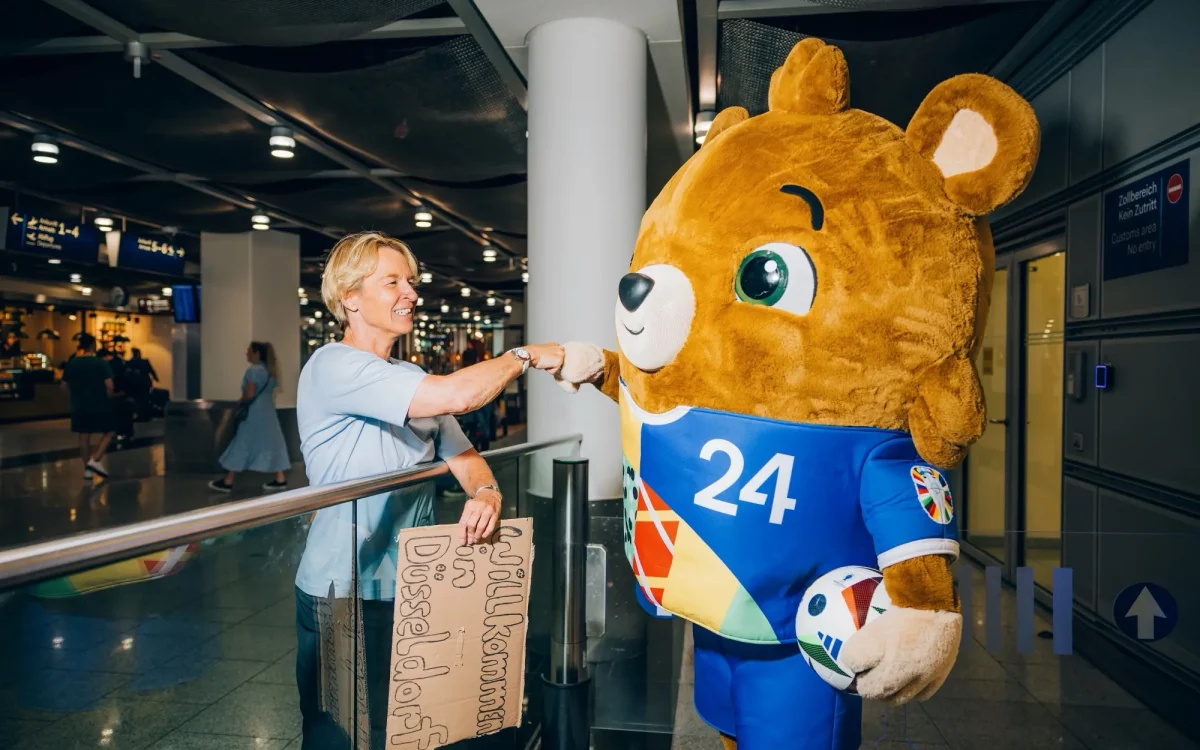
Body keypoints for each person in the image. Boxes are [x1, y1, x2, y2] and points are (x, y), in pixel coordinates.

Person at [292, 231, 564, 749]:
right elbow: (459, 396)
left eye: (411, 282)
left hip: (413, 588)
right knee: (343, 735)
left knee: (406, 729)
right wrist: (525, 355)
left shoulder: (408, 374)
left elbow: (464, 458)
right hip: (343, 591)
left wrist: (486, 494)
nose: (410, 293)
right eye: (391, 281)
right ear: (350, 297)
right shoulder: (334, 365)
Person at [208, 341, 290, 492]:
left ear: (257, 353)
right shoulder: (270, 371)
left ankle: (228, 480)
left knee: (242, 443)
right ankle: (280, 478)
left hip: (254, 413)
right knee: (272, 444)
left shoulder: (253, 371)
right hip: (268, 412)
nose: (247, 354)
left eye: (249, 351)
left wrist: (240, 402)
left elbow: (250, 394)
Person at [61, 333, 114, 480]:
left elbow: (64, 386)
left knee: (84, 436)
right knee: (109, 432)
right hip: (98, 404)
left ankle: (87, 469)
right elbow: (109, 385)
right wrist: (109, 396)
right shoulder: (100, 363)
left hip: (78, 405)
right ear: (93, 346)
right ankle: (94, 460)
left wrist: (74, 396)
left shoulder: (72, 363)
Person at [125, 347, 159, 418]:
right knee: (145, 399)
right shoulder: (145, 361)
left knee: (138, 400)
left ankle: (140, 414)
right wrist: (156, 378)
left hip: (135, 385)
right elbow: (151, 371)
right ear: (138, 353)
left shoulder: (129, 363)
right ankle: (146, 415)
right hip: (145, 383)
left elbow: (128, 374)